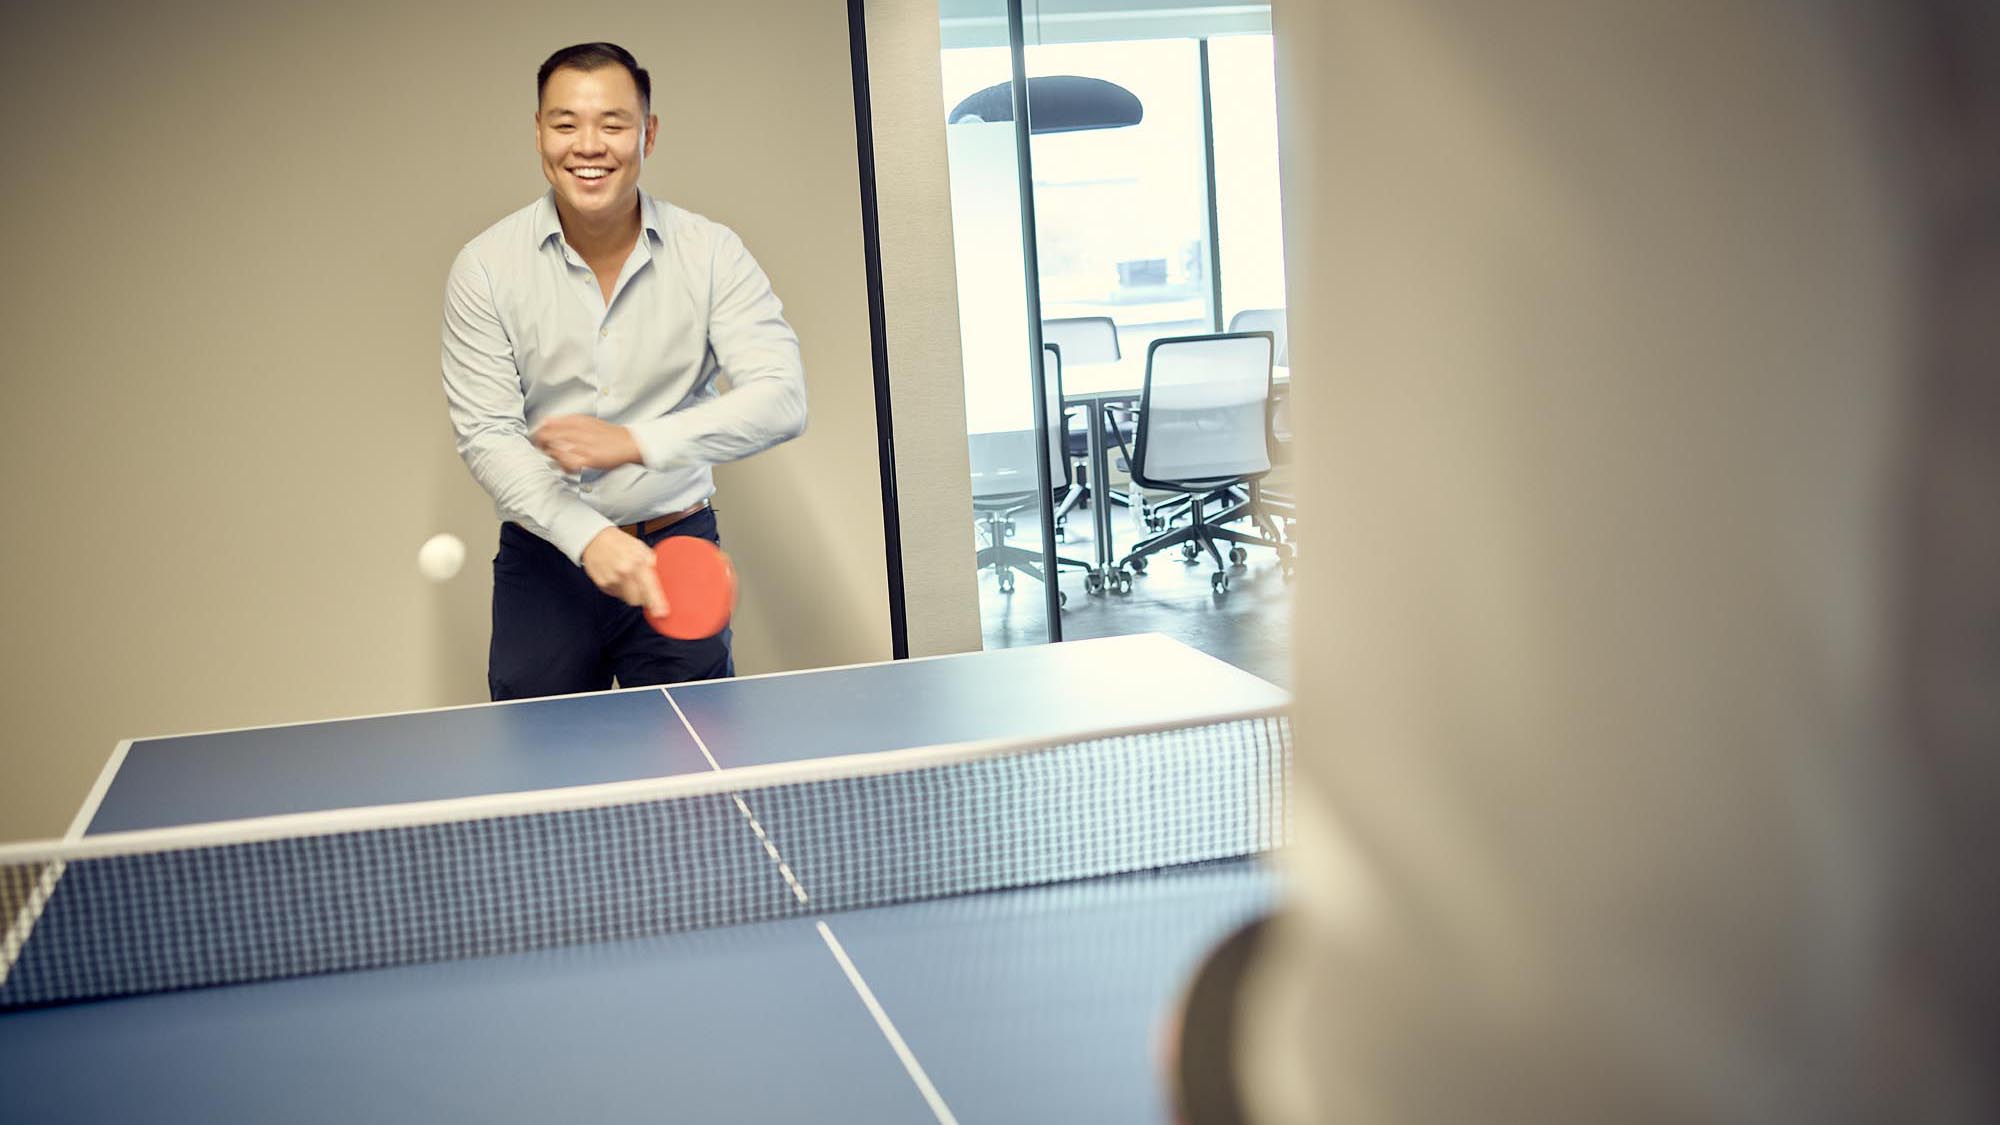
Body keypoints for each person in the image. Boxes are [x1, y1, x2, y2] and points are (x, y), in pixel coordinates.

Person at [440, 42, 807, 701]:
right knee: (543, 784)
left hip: (677, 552)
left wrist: (637, 442)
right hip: (544, 559)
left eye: (612, 123)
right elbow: (488, 435)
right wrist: (589, 539)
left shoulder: (712, 253)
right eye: (565, 123)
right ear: (538, 132)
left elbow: (781, 398)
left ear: (649, 132)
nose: (588, 145)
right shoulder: (485, 267)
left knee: (694, 786)